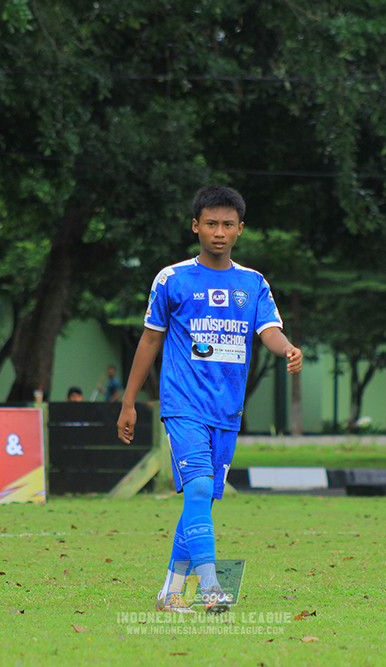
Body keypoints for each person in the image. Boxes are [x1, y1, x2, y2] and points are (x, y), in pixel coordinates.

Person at [116, 185, 303, 615]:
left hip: (227, 410)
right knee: (199, 486)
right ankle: (213, 587)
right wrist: (128, 403)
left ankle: (170, 592)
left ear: (240, 229)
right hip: (182, 403)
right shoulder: (172, 279)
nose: (219, 232)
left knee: (200, 498)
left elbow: (268, 330)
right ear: (196, 226)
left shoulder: (252, 283)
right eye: (211, 224)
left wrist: (287, 348)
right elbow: (149, 340)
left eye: (227, 224)